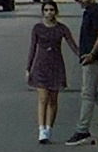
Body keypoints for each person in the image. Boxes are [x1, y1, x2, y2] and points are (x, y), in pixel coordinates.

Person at [25, 8, 72, 144]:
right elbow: (32, 48)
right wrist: (28, 68)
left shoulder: (61, 28)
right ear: (42, 12)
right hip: (41, 65)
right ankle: (41, 130)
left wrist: (85, 56)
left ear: (56, 12)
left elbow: (72, 44)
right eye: (46, 10)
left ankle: (49, 128)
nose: (49, 12)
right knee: (42, 98)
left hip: (56, 64)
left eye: (51, 10)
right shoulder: (38, 28)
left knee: (53, 100)